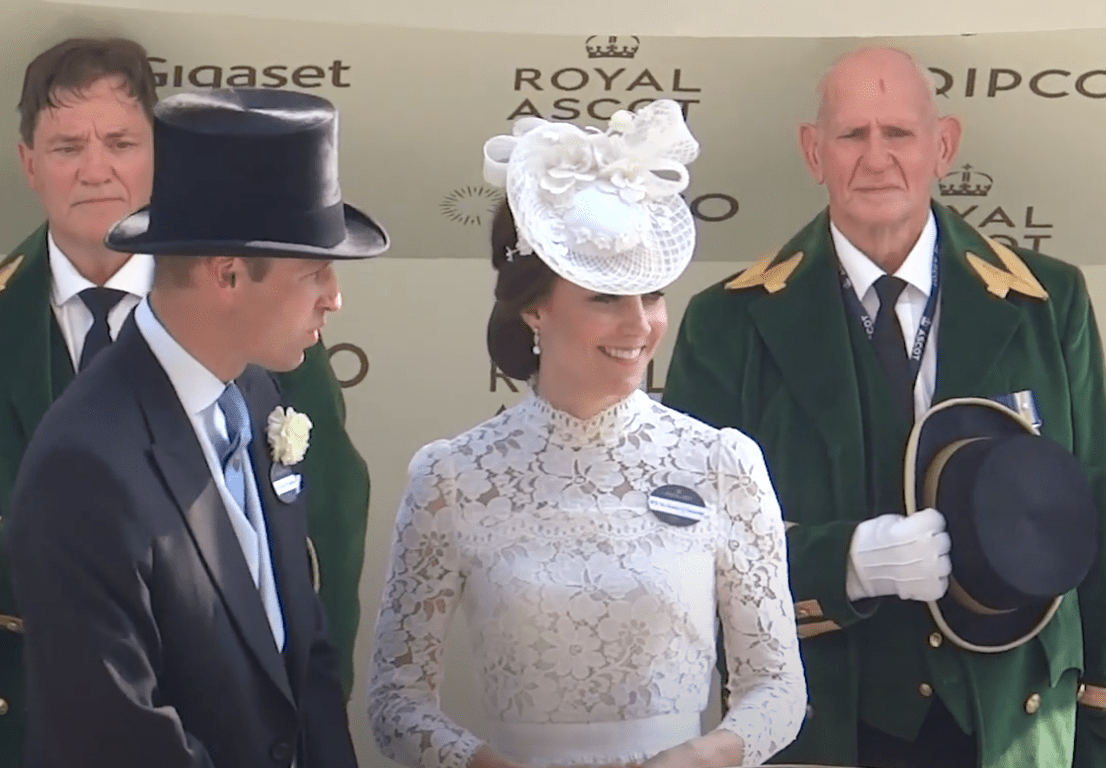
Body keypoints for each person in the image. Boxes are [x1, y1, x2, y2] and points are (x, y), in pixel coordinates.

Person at [662, 45, 1106, 768]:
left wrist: (1095, 732)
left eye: (898, 133)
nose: (876, 158)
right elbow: (684, 541)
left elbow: (1094, 507)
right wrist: (848, 562)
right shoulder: (729, 323)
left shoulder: (1047, 305)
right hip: (825, 721)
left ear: (943, 146)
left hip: (1012, 726)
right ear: (814, 152)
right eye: (852, 135)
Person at [367, 99, 805, 768]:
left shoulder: (721, 463)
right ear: (536, 307)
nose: (640, 326)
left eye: (652, 293)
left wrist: (705, 757)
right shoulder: (453, 477)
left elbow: (776, 686)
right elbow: (396, 702)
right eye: (605, 297)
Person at [0, 40, 370, 761]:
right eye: (69, 146)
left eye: (120, 142)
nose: (335, 298)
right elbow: (120, 727)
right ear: (228, 274)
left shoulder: (259, 382)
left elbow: (305, 634)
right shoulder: (84, 454)